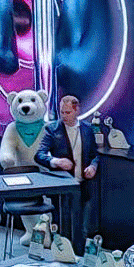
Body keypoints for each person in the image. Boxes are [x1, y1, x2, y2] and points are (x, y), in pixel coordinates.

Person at [38, 94, 100, 246]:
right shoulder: (52, 129)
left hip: (83, 186)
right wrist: (56, 161)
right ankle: (62, 254)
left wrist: (93, 166)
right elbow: (39, 155)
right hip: (62, 187)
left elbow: (95, 155)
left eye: (68, 112)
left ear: (77, 111)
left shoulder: (87, 129)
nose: (64, 116)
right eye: (62, 112)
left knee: (83, 228)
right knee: (63, 228)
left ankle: (79, 255)